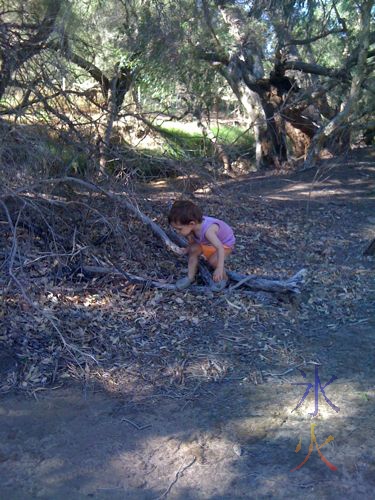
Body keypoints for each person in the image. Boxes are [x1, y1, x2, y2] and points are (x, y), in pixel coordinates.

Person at [168, 200, 235, 291]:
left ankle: (224, 277)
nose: (178, 232)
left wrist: (219, 268)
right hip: (209, 243)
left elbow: (220, 248)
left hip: (224, 245)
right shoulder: (191, 230)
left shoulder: (208, 231)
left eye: (179, 229)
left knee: (213, 261)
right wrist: (187, 249)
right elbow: (192, 243)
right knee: (193, 250)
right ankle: (190, 277)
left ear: (191, 223)